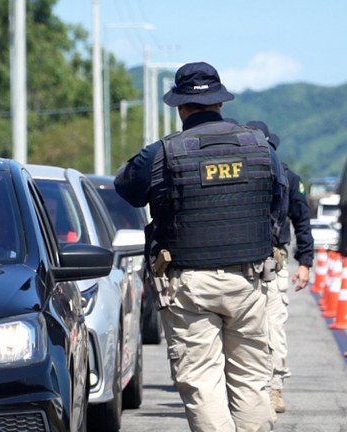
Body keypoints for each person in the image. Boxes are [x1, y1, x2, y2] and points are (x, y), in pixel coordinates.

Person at [115, 61, 287, 432]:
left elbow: (126, 188)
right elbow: (278, 201)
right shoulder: (259, 147)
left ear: (179, 107)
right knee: (252, 382)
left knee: (203, 383)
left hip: (189, 284)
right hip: (249, 279)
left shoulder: (163, 153)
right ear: (220, 102)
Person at [246, 121, 314, 414]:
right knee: (254, 328)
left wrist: (306, 262)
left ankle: (273, 388)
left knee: (271, 326)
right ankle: (261, 388)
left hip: (272, 261)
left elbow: (302, 220)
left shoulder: (288, 178)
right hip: (253, 261)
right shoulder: (245, 176)